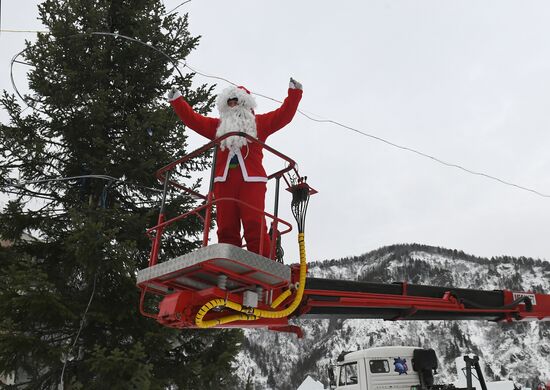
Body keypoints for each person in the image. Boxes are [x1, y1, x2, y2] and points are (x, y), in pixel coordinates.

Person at [167, 78, 303, 258]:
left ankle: (262, 262)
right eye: (229, 103)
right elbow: (194, 120)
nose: (233, 106)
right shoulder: (218, 127)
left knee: (254, 224)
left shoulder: (259, 123)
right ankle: (229, 262)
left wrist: (294, 94)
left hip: (252, 181)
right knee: (226, 227)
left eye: (236, 102)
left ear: (245, 104)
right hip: (223, 182)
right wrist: (177, 101)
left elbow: (283, 115)